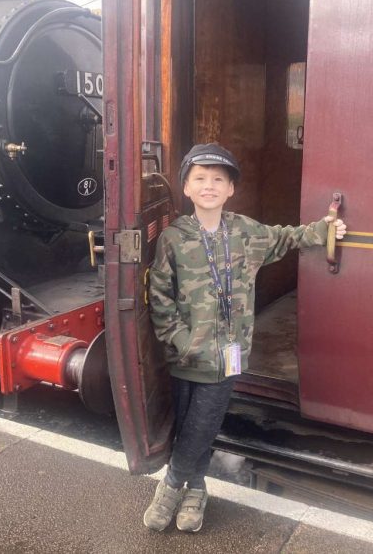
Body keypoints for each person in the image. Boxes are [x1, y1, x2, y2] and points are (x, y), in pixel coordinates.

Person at [144, 143, 346, 532]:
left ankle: (170, 487)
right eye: (199, 179)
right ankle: (196, 489)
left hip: (229, 354)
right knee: (188, 424)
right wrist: (182, 341)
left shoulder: (244, 232)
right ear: (186, 187)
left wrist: (325, 230)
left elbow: (286, 238)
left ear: (231, 188)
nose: (209, 186)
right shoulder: (174, 238)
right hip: (186, 354)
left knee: (206, 420)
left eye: (218, 179)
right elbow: (160, 297)